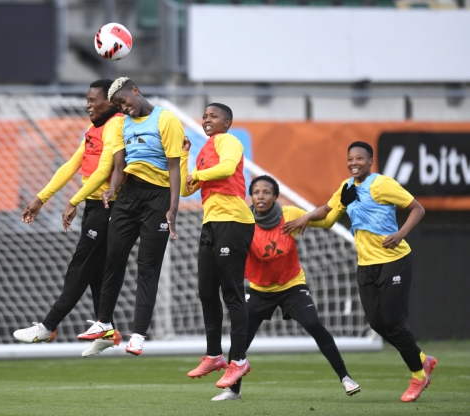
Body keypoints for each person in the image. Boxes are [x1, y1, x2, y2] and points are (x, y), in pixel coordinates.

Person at [283, 141, 437, 403]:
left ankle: (418, 375)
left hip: (394, 260)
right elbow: (329, 215)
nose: (354, 163)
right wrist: (305, 218)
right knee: (377, 324)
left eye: (360, 159)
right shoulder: (347, 187)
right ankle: (423, 359)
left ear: (370, 161)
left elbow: (417, 209)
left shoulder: (381, 184)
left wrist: (400, 234)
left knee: (394, 323)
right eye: (350, 159)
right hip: (366, 265)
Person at [212, 175, 361, 401]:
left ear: (275, 196)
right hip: (259, 289)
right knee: (240, 337)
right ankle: (234, 390)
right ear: (250, 196)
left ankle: (346, 378)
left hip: (292, 286)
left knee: (314, 324)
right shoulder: (243, 222)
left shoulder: (289, 215)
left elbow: (326, 221)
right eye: (256, 192)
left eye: (266, 192)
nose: (261, 196)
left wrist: (341, 204)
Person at [14, 79, 124, 357]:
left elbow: (105, 169)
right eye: (86, 100)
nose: (87, 105)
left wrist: (73, 201)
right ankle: (107, 328)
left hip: (109, 206)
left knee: (81, 267)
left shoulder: (117, 125)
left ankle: (49, 326)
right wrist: (41, 197)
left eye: (92, 100)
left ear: (110, 101)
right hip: (93, 205)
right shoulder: (94, 127)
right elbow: (72, 164)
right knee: (95, 270)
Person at [77, 77, 184, 356]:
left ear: (135, 91)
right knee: (112, 259)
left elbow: (175, 168)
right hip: (128, 196)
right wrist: (111, 190)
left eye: (124, 102)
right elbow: (119, 167)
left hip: (158, 198)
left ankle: (137, 334)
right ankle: (104, 322)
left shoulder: (166, 119)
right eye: (118, 106)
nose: (123, 109)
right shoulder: (122, 125)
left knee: (147, 267)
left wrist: (173, 207)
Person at [181, 103, 255, 390]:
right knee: (206, 291)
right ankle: (214, 355)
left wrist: (198, 175)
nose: (206, 119)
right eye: (204, 116)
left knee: (232, 292)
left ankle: (239, 360)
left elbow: (225, 169)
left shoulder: (229, 141)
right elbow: (189, 188)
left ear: (227, 122)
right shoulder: (204, 151)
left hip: (234, 221)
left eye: (213, 116)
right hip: (211, 223)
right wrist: (187, 156)